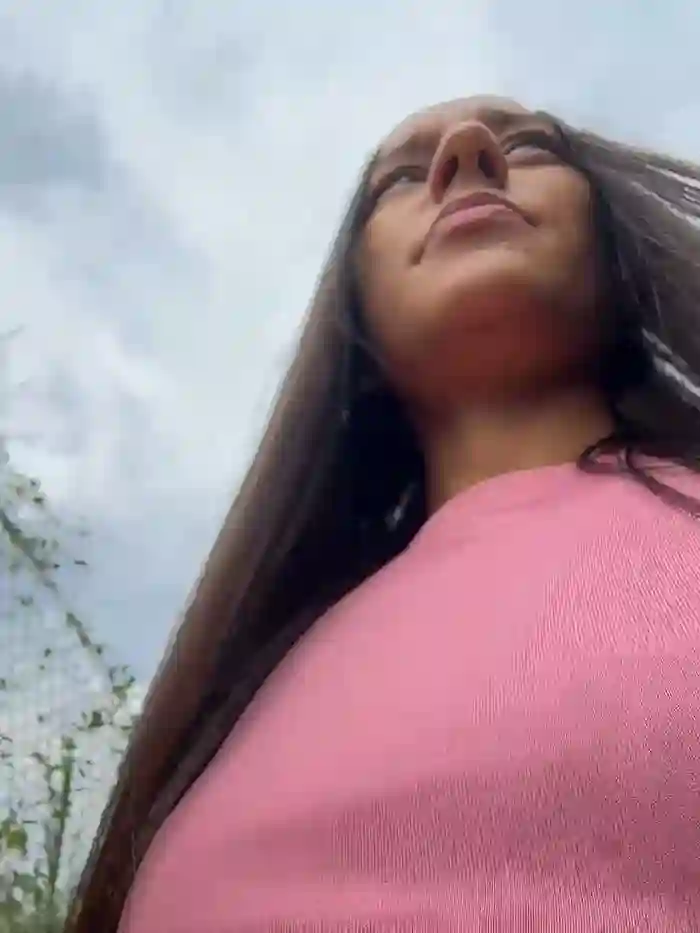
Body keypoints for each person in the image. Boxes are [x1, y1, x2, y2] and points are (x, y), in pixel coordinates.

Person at [68, 96, 700, 932]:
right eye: (400, 178)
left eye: (531, 148)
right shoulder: (246, 694)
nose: (467, 152)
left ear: (616, 250)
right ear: (355, 312)